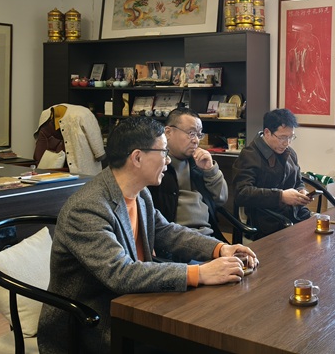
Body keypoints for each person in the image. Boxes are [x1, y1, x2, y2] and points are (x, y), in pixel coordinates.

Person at [37, 116, 257, 354]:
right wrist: (200, 273)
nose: (168, 159)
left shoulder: (140, 193)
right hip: (92, 322)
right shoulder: (87, 208)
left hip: (136, 302)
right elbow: (120, 273)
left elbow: (166, 231)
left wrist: (220, 249)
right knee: (202, 340)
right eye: (163, 152)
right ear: (137, 158)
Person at [147, 107, 228, 250]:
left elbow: (221, 199)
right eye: (191, 133)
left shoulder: (198, 163)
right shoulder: (156, 167)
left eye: (199, 134)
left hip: (209, 236)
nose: (196, 140)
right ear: (168, 132)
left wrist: (210, 170)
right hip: (178, 244)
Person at [233, 108, 313, 239]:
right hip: (267, 221)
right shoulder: (249, 155)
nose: (287, 143)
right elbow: (242, 193)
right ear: (267, 133)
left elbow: (298, 181)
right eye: (282, 137)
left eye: (291, 137)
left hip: (294, 214)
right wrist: (281, 196)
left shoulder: (290, 153)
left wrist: (302, 191)